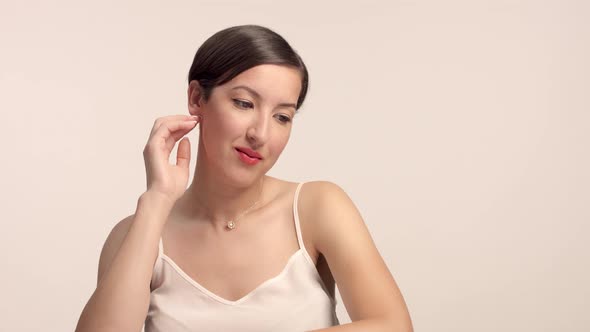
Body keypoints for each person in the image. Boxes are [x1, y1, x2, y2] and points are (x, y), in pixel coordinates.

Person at [75, 24, 413, 332]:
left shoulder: (317, 207)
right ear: (196, 98)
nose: (261, 134)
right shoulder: (135, 236)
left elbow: (394, 326)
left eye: (282, 116)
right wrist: (157, 201)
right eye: (243, 103)